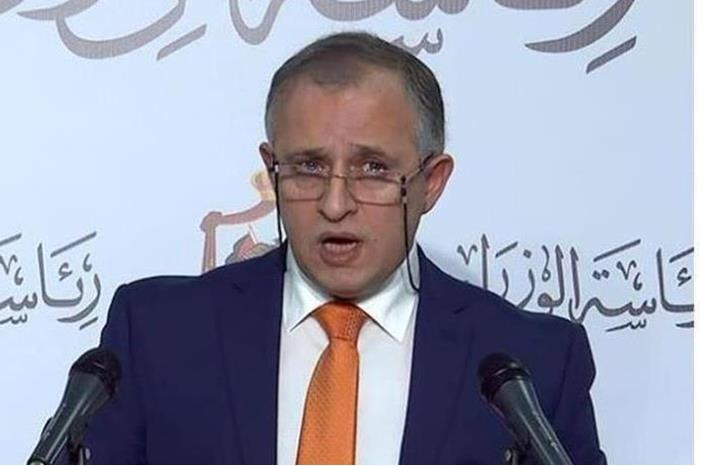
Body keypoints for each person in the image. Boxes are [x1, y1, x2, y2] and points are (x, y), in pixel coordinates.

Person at [84, 32, 606, 464]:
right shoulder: (157, 334)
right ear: (272, 171)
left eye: (373, 169)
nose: (335, 204)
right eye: (308, 167)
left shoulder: (533, 361)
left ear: (431, 182)